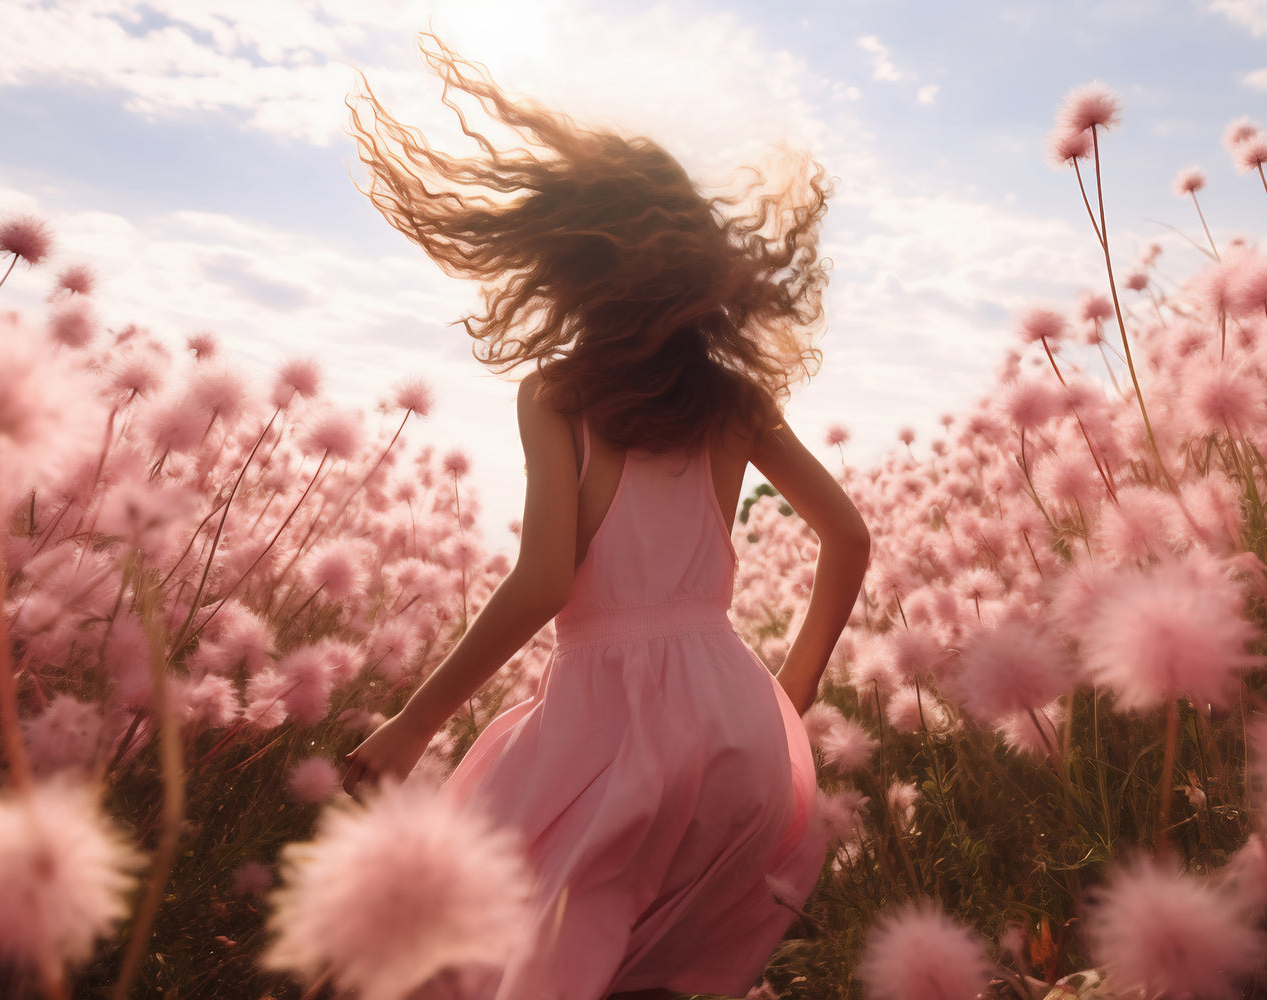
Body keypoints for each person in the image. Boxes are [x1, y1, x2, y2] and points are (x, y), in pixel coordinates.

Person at [340, 37, 870, 1000]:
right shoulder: (736, 401)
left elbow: (546, 581)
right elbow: (850, 538)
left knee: (469, 949)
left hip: (614, 735)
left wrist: (415, 726)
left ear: (571, 267)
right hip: (737, 735)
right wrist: (786, 697)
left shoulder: (559, 396)